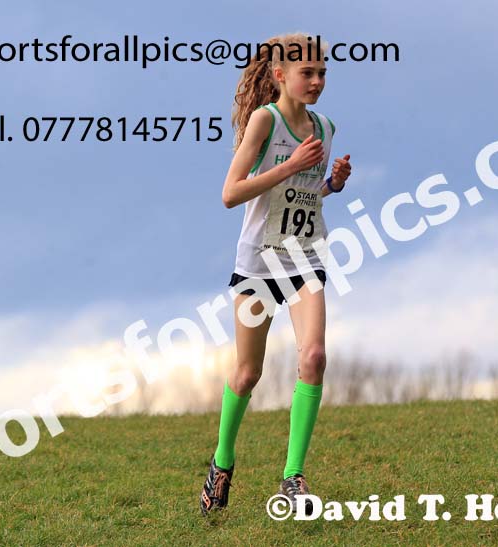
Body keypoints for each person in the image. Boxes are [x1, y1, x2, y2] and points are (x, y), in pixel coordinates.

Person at [199, 32, 352, 517]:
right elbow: (231, 193)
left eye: (323, 72)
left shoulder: (326, 127)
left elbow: (304, 196)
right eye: (308, 73)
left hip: (306, 258)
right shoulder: (265, 121)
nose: (318, 81)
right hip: (258, 264)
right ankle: (222, 463)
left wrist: (330, 184)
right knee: (248, 374)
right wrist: (290, 167)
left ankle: (292, 477)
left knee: (316, 356)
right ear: (280, 75)